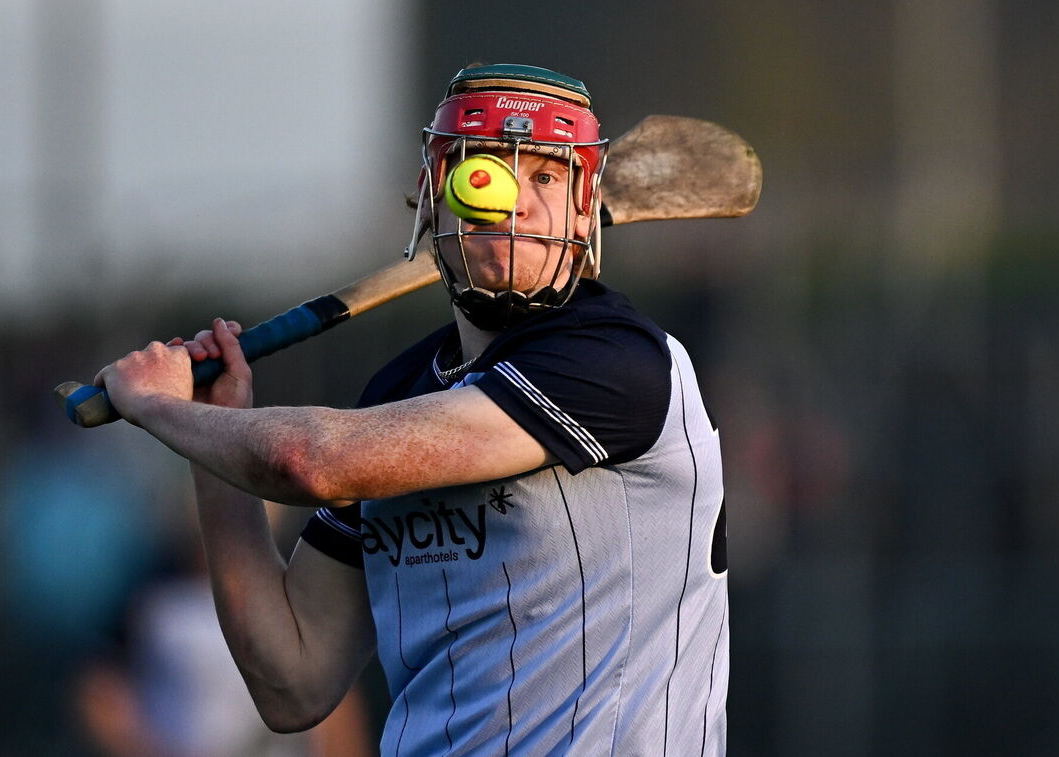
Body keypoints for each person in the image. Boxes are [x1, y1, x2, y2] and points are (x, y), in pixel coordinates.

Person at [95, 64, 729, 756]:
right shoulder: (400, 393)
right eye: (485, 173)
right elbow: (292, 680)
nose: (513, 200)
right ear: (433, 200)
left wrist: (156, 408)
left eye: (546, 177)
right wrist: (209, 427)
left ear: (584, 209)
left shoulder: (616, 362)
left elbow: (310, 461)